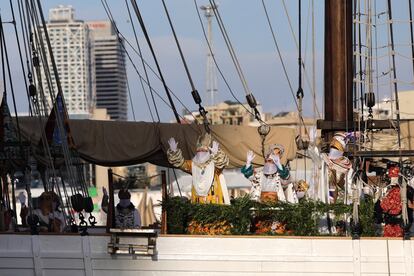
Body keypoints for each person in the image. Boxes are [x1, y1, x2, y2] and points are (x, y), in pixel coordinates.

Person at [167, 133, 230, 204]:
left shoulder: (214, 165)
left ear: (208, 151)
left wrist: (217, 154)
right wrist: (174, 152)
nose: (200, 153)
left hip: (215, 202)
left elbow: (221, 164)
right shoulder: (193, 164)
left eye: (203, 151)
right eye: (199, 151)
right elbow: (181, 164)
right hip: (197, 203)